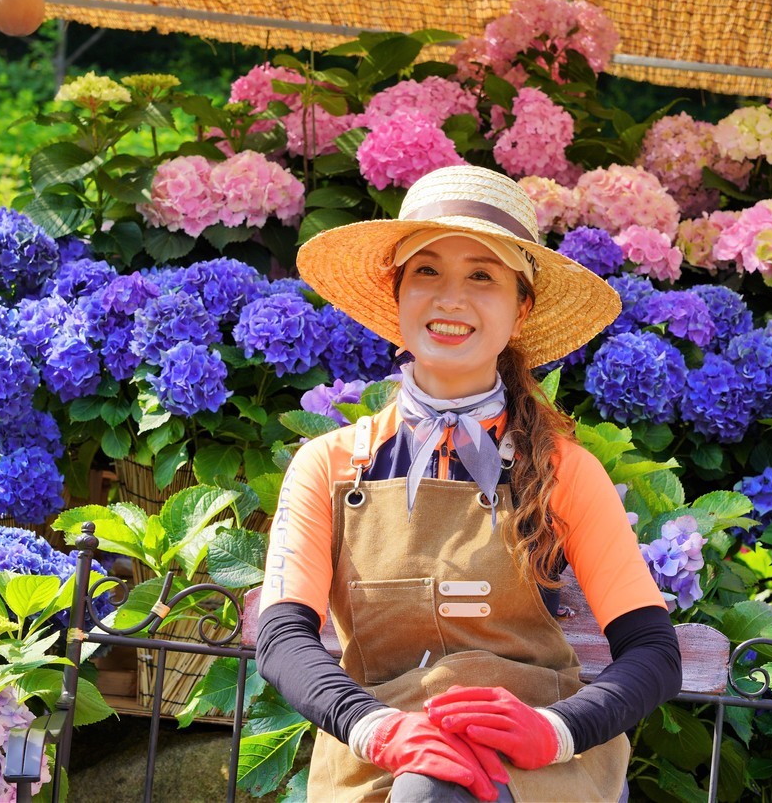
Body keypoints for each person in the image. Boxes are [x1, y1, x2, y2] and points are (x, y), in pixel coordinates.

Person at [255, 165, 682, 801]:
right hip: (377, 759)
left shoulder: (565, 471)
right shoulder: (329, 466)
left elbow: (652, 651)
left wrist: (556, 730)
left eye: (482, 275)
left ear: (521, 308)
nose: (451, 298)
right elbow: (283, 638)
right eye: (427, 271)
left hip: (542, 769)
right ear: (396, 297)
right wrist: (378, 728)